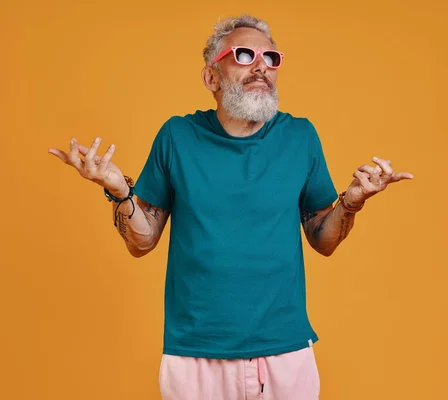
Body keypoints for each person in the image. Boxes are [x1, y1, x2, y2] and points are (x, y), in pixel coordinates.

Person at [48, 14, 413, 400]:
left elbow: (323, 239)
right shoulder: (177, 136)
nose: (261, 66)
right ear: (211, 78)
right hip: (194, 354)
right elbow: (142, 242)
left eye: (271, 57)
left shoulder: (300, 136)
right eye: (243, 54)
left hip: (285, 352)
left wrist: (352, 202)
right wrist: (120, 192)